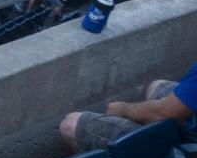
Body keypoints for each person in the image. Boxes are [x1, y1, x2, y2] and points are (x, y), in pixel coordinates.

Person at [61, 60, 197, 151]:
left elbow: (164, 113)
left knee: (71, 124)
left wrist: (124, 109)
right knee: (157, 87)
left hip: (187, 144)